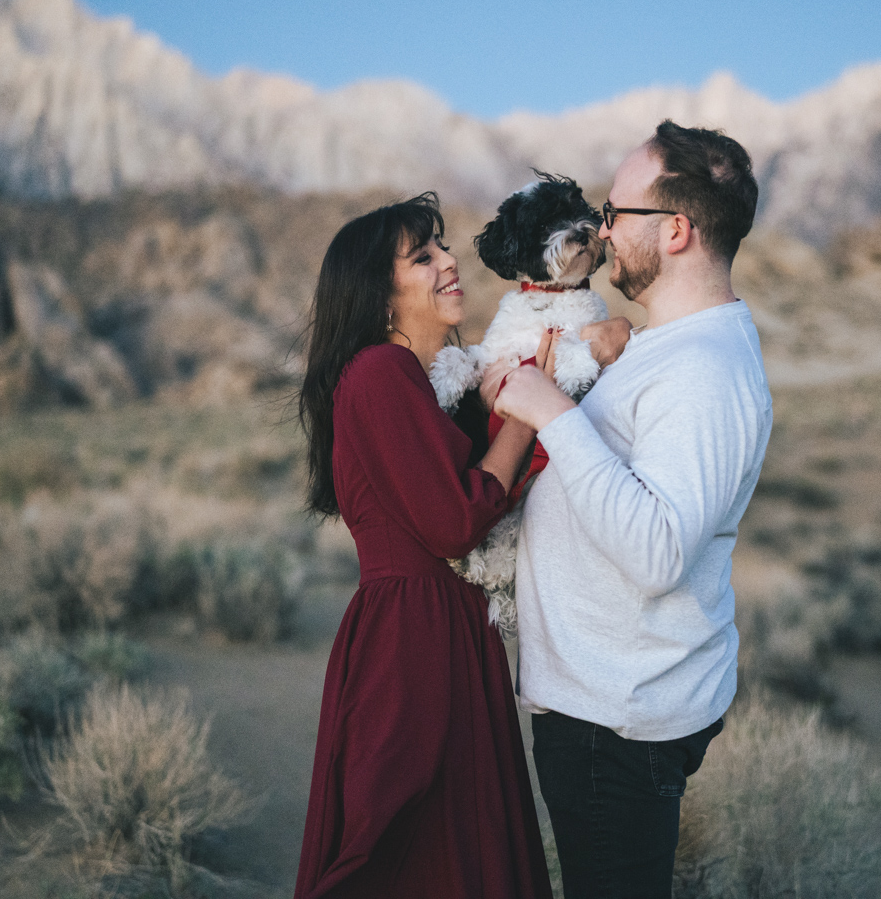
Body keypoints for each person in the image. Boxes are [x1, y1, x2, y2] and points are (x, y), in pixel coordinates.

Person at [494, 121, 773, 899]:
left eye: (617, 212)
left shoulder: (705, 373)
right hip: (603, 702)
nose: (602, 229)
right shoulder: (667, 345)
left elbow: (657, 552)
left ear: (677, 230)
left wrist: (554, 416)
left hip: (617, 722)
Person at [290, 194, 556, 899]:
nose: (448, 261)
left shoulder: (422, 381)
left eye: (442, 246)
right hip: (411, 641)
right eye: (423, 256)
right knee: (402, 844)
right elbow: (452, 521)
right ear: (380, 298)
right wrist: (529, 414)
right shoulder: (379, 373)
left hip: (442, 631)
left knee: (450, 847)